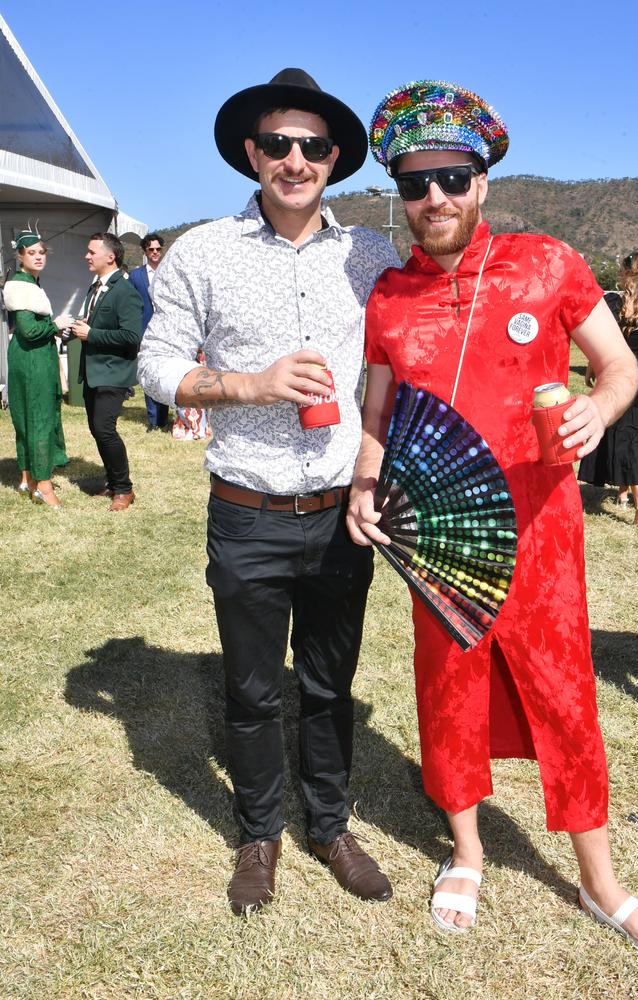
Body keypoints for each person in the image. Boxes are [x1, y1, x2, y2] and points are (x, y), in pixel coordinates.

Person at [347, 79, 638, 954]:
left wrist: (602, 408)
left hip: (544, 530)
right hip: (438, 536)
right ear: (398, 196)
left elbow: (620, 366)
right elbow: (376, 414)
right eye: (414, 183)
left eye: (450, 177)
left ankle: (600, 879)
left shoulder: (548, 262)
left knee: (564, 696)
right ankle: (468, 851)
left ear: (482, 181)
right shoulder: (390, 299)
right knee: (448, 695)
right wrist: (368, 481)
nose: (433, 198)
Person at [138, 68, 400, 915]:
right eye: (279, 144)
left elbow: (398, 365)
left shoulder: (370, 254)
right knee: (251, 691)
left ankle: (329, 824)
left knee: (329, 682)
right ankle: (261, 833)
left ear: (333, 160)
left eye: (313, 146)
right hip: (247, 512)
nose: (295, 159)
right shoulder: (202, 252)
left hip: (339, 514)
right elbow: (157, 366)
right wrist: (249, 384)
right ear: (253, 153)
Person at [70, 233, 143, 511]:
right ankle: (113, 483)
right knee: (97, 429)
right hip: (93, 372)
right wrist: (80, 327)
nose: (87, 256)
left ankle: (124, 489)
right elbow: (99, 325)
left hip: (113, 372)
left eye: (92, 252)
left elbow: (131, 337)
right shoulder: (95, 288)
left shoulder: (125, 292)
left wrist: (93, 333)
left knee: (104, 429)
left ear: (110, 256)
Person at [578, 251, 638, 529]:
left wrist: (592, 370)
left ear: (627, 273)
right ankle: (623, 493)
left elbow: (604, 343)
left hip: (627, 376)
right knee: (634, 435)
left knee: (628, 437)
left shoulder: (615, 303)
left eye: (622, 270)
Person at [4, 226, 73, 508]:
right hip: (32, 359)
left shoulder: (30, 283)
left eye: (41, 252)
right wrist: (55, 324)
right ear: (20, 256)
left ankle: (27, 479)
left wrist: (54, 328)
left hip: (28, 356)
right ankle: (43, 484)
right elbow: (29, 331)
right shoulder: (21, 286)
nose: (38, 257)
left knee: (27, 416)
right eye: (32, 253)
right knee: (39, 418)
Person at [129, 233, 169, 432]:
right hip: (145, 330)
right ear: (145, 251)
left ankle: (165, 416)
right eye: (151, 249)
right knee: (149, 373)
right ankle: (153, 420)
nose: (155, 252)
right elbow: (130, 304)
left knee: (166, 374)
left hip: (169, 331)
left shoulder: (170, 271)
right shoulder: (136, 276)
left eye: (158, 249)